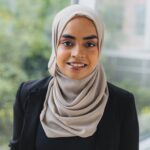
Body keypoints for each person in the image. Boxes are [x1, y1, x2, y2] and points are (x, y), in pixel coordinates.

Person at [9, 4, 139, 150]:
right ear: (55, 45)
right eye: (67, 43)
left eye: (89, 44)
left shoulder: (122, 103)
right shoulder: (27, 95)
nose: (77, 53)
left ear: (99, 47)